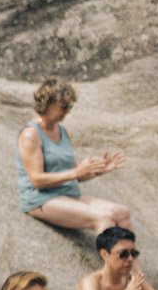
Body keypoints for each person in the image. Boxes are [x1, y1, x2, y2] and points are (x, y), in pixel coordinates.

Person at [17, 78, 132, 232]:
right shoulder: (31, 135)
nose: (67, 111)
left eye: (69, 106)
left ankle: (128, 255)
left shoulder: (61, 131)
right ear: (47, 103)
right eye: (64, 106)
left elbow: (74, 175)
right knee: (103, 217)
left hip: (67, 194)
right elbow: (37, 180)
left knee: (122, 213)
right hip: (42, 199)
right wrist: (76, 171)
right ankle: (111, 256)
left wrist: (97, 170)